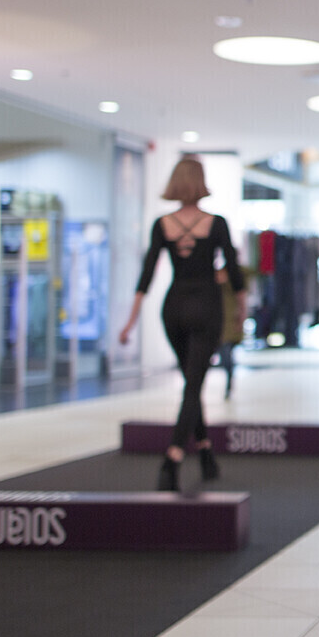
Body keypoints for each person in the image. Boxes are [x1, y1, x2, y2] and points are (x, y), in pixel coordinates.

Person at [118, 157, 247, 492]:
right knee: (194, 384)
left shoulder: (163, 224)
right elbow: (234, 271)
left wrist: (130, 322)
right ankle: (173, 457)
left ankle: (205, 453)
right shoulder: (216, 224)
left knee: (192, 380)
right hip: (206, 306)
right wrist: (242, 309)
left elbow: (147, 273)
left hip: (173, 307)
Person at [213, 265, 243, 400]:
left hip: (229, 325)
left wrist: (240, 319)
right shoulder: (212, 286)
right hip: (216, 325)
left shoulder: (233, 284)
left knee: (226, 356)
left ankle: (229, 382)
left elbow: (241, 301)